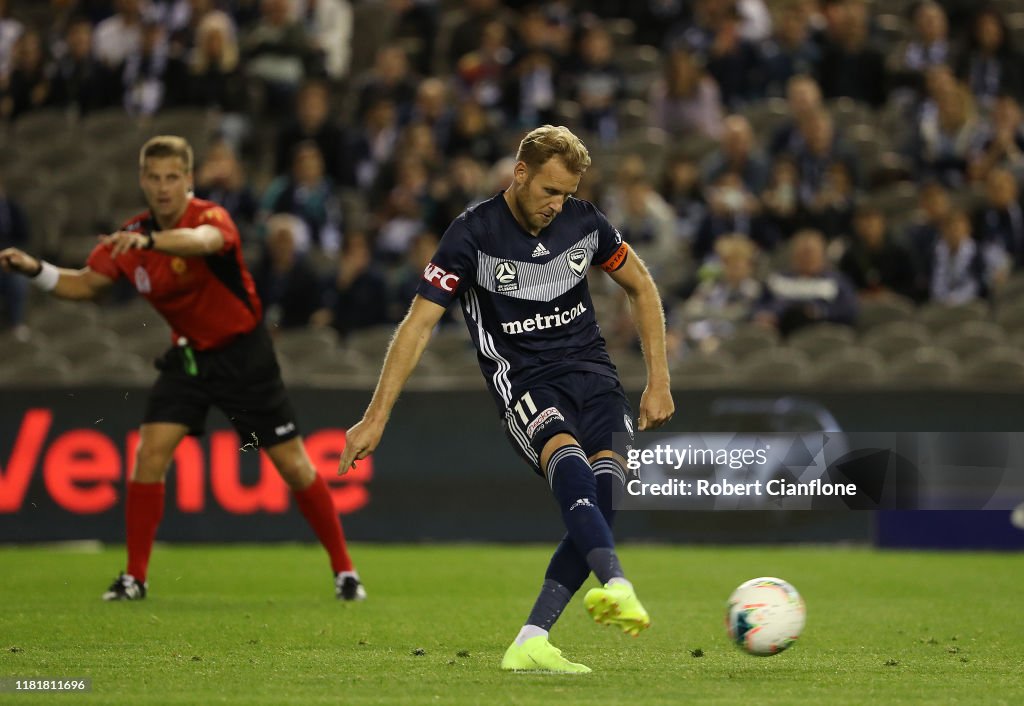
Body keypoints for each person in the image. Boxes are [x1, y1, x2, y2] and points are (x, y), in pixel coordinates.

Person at [337, 125, 675, 673]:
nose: (556, 205)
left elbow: (642, 285)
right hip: (525, 382)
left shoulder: (585, 223)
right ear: (521, 174)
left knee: (606, 495)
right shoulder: (472, 234)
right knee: (571, 470)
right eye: (549, 191)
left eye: (565, 193)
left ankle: (532, 639)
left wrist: (658, 379)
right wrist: (376, 417)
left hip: (595, 376)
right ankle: (616, 583)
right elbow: (418, 325)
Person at [0, 135, 364, 603]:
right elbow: (86, 285)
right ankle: (134, 578)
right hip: (189, 357)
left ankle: (345, 572)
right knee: (150, 454)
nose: (163, 187)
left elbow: (201, 242)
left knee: (293, 466)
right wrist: (35, 269)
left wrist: (150, 240)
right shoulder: (131, 237)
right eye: (154, 177)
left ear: (189, 180)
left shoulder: (208, 219)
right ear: (142, 180)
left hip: (243, 356)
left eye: (173, 177)